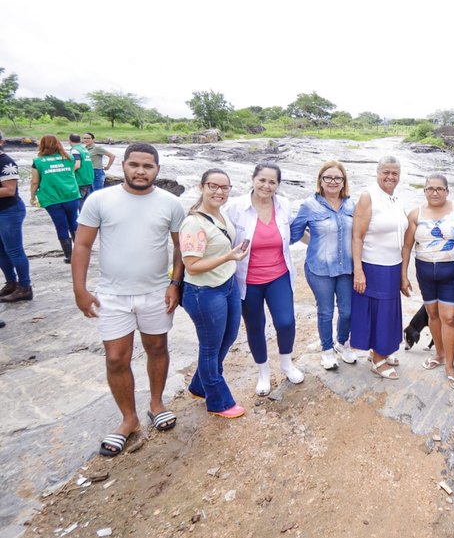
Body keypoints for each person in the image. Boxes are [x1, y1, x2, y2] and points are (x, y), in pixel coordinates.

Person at [72, 143, 186, 457]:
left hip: (155, 292)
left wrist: (175, 284)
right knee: (116, 358)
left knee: (157, 347)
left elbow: (180, 249)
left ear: (157, 170)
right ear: (122, 165)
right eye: (134, 164)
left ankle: (156, 403)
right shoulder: (99, 199)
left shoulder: (170, 204)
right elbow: (81, 245)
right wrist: (80, 289)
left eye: (147, 166)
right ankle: (128, 419)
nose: (140, 171)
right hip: (112, 295)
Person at [225, 161, 304, 396]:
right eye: (262, 180)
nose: (266, 186)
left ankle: (286, 363)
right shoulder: (235, 207)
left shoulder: (284, 205)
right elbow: (220, 234)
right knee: (255, 326)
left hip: (278, 275)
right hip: (247, 279)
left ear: (278, 185)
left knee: (286, 322)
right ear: (253, 179)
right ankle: (263, 373)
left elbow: (295, 234)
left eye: (272, 182)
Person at [180, 169, 248, 418]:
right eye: (213, 186)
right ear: (201, 187)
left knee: (228, 337)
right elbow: (192, 265)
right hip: (204, 292)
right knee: (210, 347)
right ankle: (218, 401)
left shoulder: (219, 214)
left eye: (224, 187)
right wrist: (228, 256)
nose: (219, 192)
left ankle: (200, 385)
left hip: (226, 284)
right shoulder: (194, 222)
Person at [401, 174, 454, 389]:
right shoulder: (415, 214)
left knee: (449, 318)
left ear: (447, 190)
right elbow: (407, 247)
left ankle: (450, 365)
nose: (435, 192)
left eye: (440, 188)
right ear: (424, 191)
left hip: (452, 273)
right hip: (425, 272)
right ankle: (439, 354)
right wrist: (403, 275)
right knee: (432, 314)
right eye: (430, 188)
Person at [290, 160, 356, 371]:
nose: (333, 181)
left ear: (343, 181)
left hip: (346, 268)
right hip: (320, 269)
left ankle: (342, 342)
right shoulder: (309, 205)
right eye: (328, 177)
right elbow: (294, 233)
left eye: (338, 177)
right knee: (326, 311)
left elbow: (359, 234)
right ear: (320, 180)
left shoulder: (351, 204)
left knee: (347, 311)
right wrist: (315, 243)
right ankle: (327, 351)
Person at [352, 156, 409, 380]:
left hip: (392, 265)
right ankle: (377, 360)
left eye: (394, 173)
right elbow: (357, 236)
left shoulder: (395, 198)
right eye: (386, 172)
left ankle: (381, 351)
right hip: (373, 265)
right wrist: (358, 270)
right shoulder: (368, 197)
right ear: (377, 172)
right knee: (379, 312)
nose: (390, 177)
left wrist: (403, 273)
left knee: (388, 312)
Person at [31, 135, 80, 264]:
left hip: (52, 199)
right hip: (71, 195)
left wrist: (32, 196)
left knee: (61, 226)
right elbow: (71, 172)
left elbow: (35, 182)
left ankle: (69, 256)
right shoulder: (69, 158)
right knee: (74, 223)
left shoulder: (38, 161)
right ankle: (81, 252)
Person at [0, 129, 33, 303]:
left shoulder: (6, 162)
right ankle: (11, 283)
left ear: (1, 142)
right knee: (1, 251)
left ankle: (25, 287)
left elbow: (9, 190)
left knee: (14, 250)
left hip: (9, 211)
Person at [68, 133, 94, 209]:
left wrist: (69, 174)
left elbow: (77, 165)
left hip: (80, 179)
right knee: (86, 202)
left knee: (79, 201)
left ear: (69, 141)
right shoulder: (84, 149)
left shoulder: (75, 150)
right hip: (88, 178)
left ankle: (81, 219)